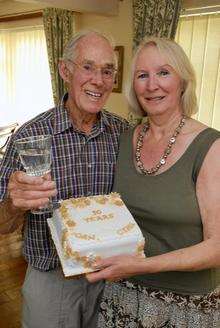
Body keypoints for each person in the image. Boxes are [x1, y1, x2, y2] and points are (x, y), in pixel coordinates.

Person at [87, 37, 220, 327]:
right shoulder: (124, 138)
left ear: (183, 81)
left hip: (185, 304)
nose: (152, 85)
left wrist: (142, 266)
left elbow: (217, 247)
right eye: (142, 75)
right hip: (123, 294)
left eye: (163, 72)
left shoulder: (211, 147)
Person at [0, 30, 129, 328]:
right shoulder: (30, 137)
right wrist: (14, 204)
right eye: (88, 67)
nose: (98, 79)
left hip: (112, 279)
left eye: (107, 70)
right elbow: (2, 223)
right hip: (51, 280)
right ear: (65, 70)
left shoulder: (123, 134)